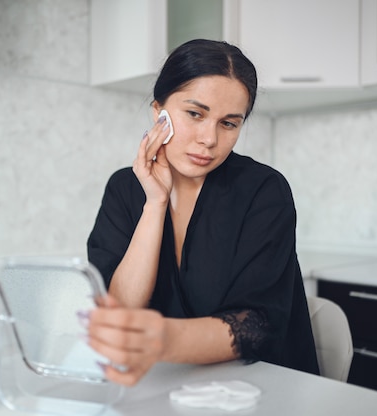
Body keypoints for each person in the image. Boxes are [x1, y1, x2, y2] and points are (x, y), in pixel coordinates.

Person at [85, 39, 319, 386]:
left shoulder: (265, 191)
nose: (209, 139)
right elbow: (118, 312)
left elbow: (256, 326)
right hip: (165, 388)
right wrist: (155, 204)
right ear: (158, 112)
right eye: (195, 114)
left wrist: (162, 339)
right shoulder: (125, 188)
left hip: (262, 388)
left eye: (228, 123)